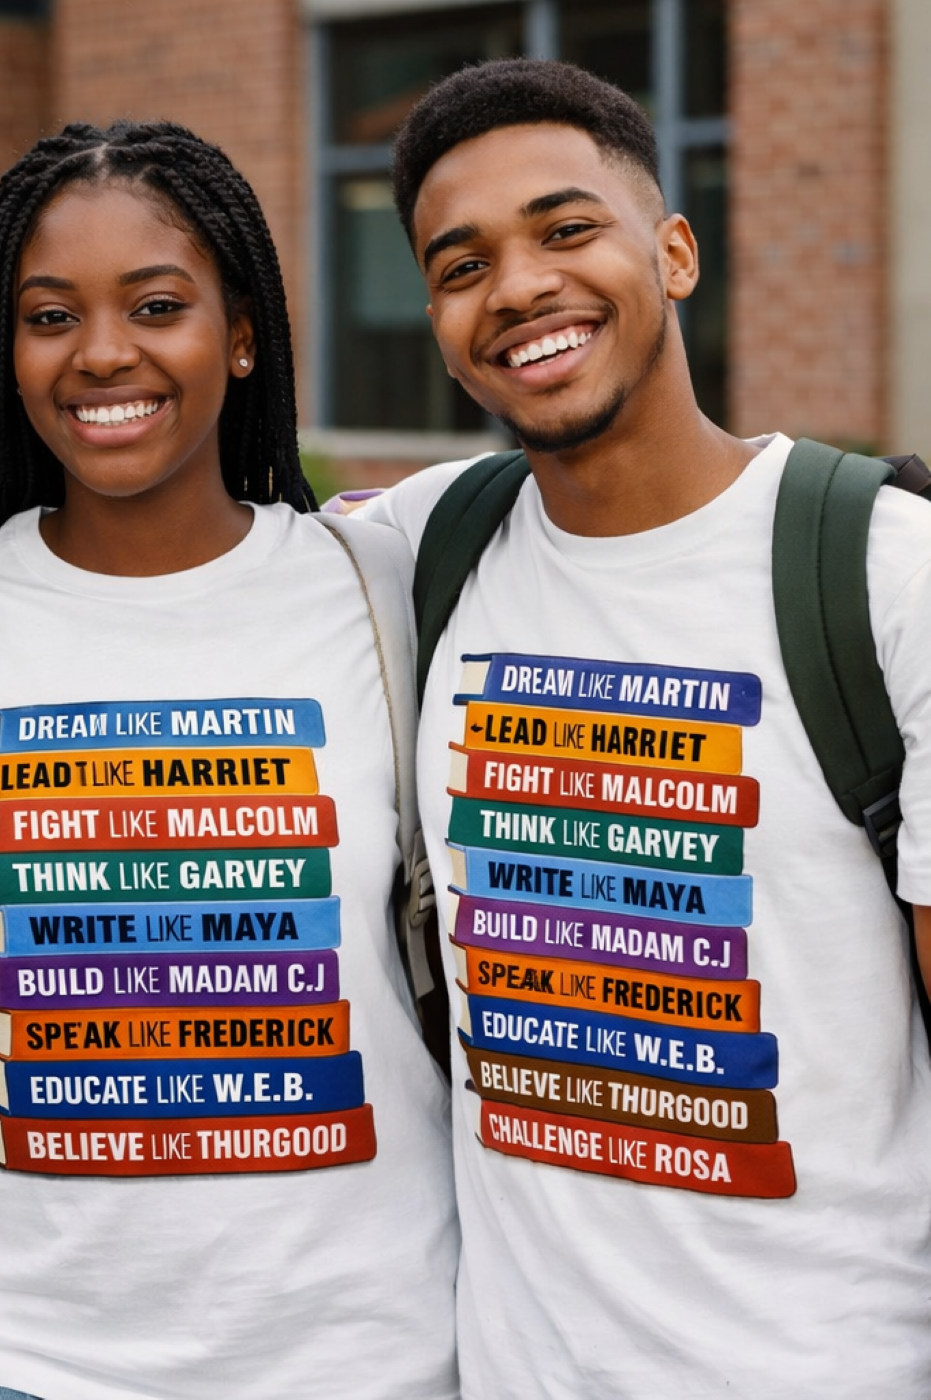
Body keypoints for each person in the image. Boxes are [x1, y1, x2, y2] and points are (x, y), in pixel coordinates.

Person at [0, 120, 459, 1400]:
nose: (103, 353)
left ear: (241, 336)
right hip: (12, 1352)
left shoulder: (381, 588)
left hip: (355, 1348)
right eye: (50, 314)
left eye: (158, 305)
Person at [352, 58, 931, 1396]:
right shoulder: (429, 544)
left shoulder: (883, 574)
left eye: (566, 230)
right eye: (460, 265)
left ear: (672, 253)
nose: (519, 289)